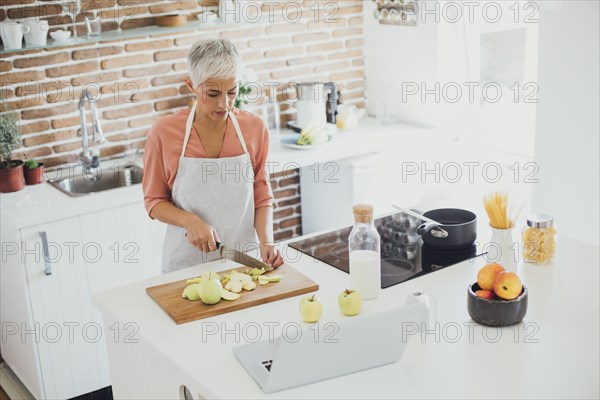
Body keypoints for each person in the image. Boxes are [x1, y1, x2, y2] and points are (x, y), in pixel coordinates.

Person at [142, 38, 284, 273]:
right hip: (184, 265)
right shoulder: (164, 133)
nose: (224, 103)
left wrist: (266, 240)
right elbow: (154, 201)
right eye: (213, 93)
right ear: (191, 86)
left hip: (243, 263)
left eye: (232, 91)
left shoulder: (254, 128)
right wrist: (189, 221)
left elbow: (261, 193)